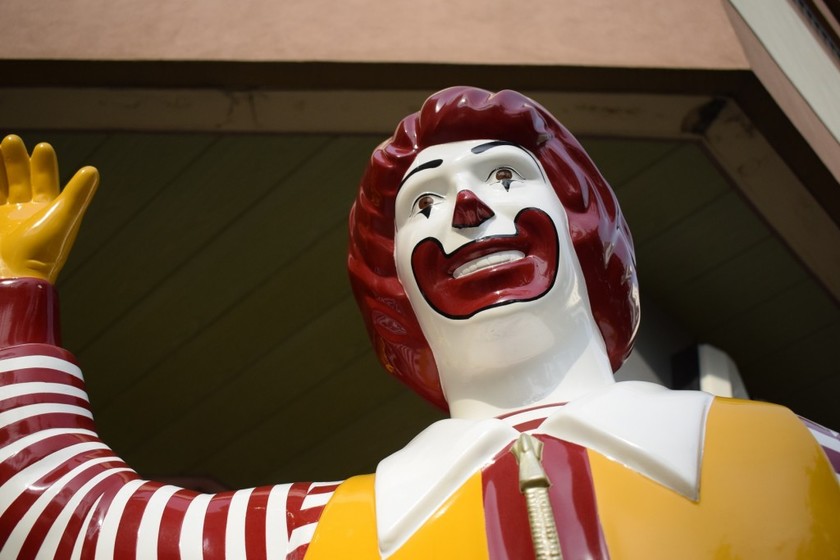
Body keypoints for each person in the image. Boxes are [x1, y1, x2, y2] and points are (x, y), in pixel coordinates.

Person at [0, 87, 837, 560]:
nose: (467, 207)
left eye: (505, 177)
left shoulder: (802, 459)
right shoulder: (320, 534)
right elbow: (65, 518)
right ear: (395, 283)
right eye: (425, 202)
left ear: (583, 223)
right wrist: (15, 292)